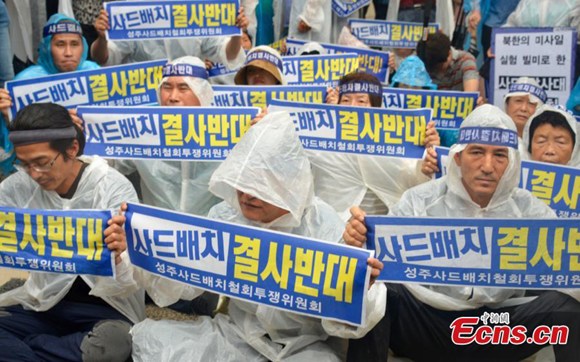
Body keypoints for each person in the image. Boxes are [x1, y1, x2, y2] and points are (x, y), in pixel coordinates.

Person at [124, 111, 386, 361]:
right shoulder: (226, 216)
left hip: (305, 347)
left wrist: (359, 287)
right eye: (242, 181)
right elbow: (183, 284)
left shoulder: (325, 226)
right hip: (237, 335)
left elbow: (345, 323)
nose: (246, 195)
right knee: (152, 341)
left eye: (259, 185)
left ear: (289, 182)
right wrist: (141, 246)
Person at [344, 104, 580, 362]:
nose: (488, 166)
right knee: (376, 287)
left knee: (565, 306)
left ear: (512, 163)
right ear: (458, 157)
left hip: (496, 327)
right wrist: (358, 241)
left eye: (500, 155)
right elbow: (376, 259)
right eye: (477, 152)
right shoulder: (419, 201)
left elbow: (566, 266)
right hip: (427, 322)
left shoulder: (531, 210)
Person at [0, 103, 144, 362]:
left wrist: (123, 252)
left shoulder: (112, 188)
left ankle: (31, 348)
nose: (34, 174)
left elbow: (130, 281)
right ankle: (53, 350)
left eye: (42, 163)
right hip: (44, 303)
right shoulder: (18, 186)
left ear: (72, 149)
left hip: (104, 309)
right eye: (24, 164)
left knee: (114, 345)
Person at [314, 71, 438, 220]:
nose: (352, 107)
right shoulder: (320, 144)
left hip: (376, 230)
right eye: (346, 100)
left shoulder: (393, 145)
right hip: (326, 232)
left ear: (376, 108)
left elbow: (414, 180)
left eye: (361, 101)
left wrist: (428, 156)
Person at [91, 6, 249, 71]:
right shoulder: (133, 11)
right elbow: (104, 58)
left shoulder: (197, 12)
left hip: (187, 97)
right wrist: (103, 37)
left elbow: (229, 54)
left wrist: (236, 34)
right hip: (145, 99)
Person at [14, 13, 99, 80]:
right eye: (60, 45)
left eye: (74, 44)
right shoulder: (26, 81)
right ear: (46, 49)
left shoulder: (95, 73)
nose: (68, 53)